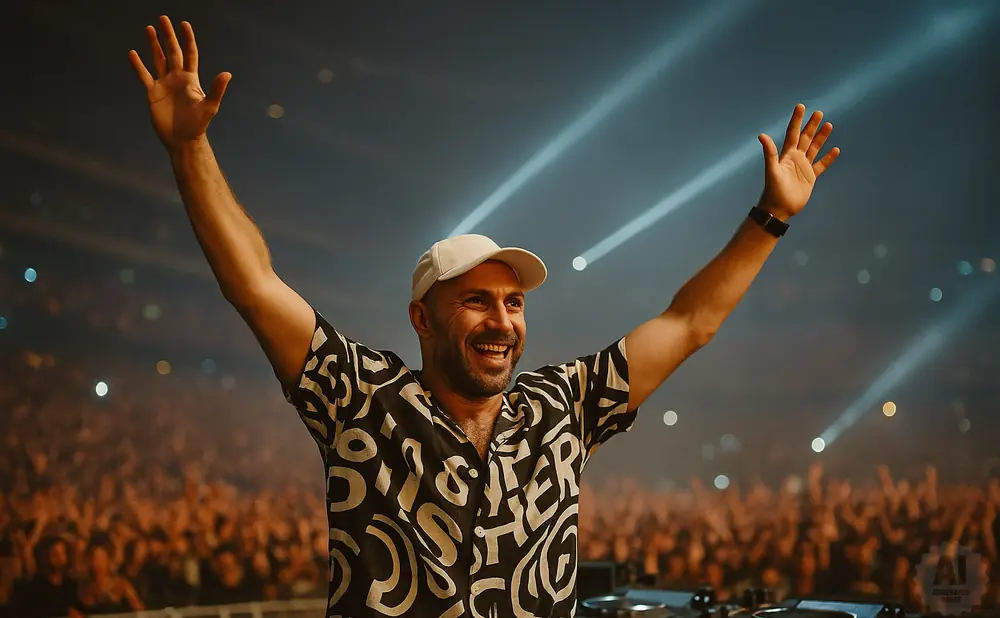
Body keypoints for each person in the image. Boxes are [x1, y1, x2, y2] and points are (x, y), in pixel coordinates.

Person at [128, 15, 840, 617]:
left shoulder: (562, 406)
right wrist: (190, 148)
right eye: (476, 301)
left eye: (514, 302)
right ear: (423, 321)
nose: (502, 320)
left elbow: (690, 323)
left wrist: (771, 216)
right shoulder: (363, 401)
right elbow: (253, 284)